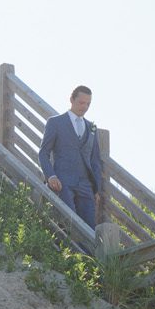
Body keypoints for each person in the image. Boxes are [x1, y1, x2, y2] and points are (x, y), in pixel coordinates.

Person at [39, 85, 103, 228]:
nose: (85, 107)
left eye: (88, 104)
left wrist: (96, 188)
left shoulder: (92, 127)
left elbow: (95, 160)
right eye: (81, 102)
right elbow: (43, 153)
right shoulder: (55, 122)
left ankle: (84, 251)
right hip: (63, 182)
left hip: (86, 185)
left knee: (89, 226)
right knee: (68, 222)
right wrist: (51, 176)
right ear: (71, 100)